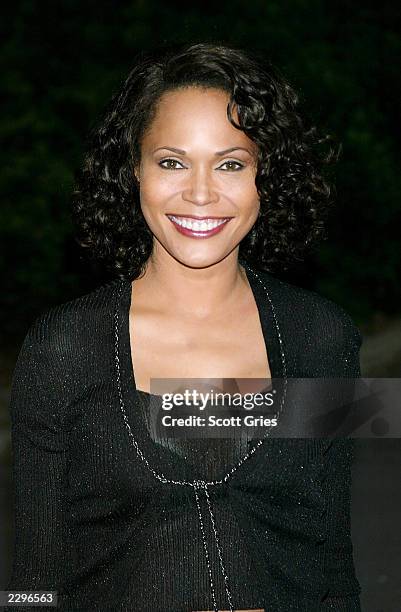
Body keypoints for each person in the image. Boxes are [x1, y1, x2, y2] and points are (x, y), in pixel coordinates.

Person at [6, 42, 363, 611]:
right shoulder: (63, 348)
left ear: (266, 177)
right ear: (133, 170)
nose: (200, 193)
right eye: (172, 161)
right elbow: (33, 574)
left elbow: (332, 557)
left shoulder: (322, 338)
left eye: (231, 163)